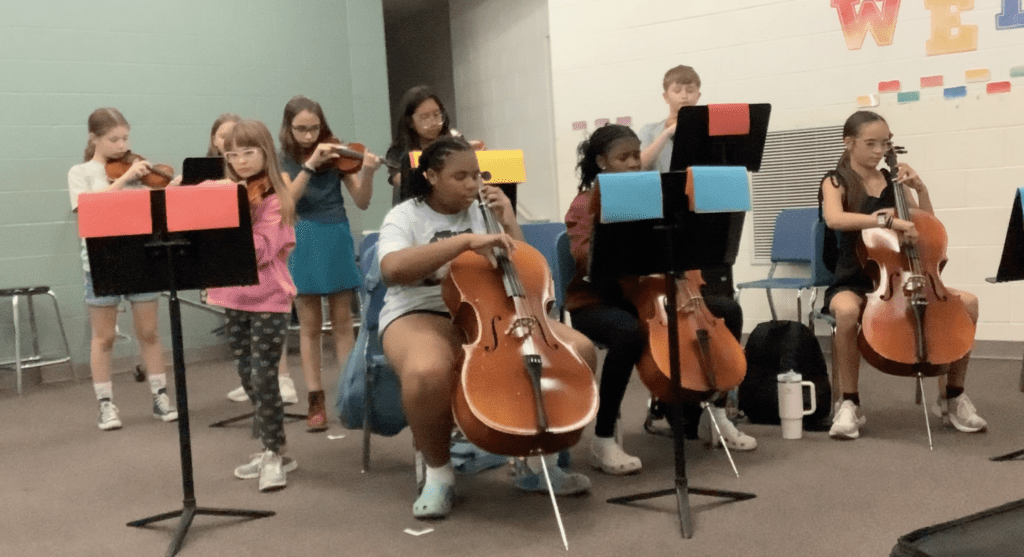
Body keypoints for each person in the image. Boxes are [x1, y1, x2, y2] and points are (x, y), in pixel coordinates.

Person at [379, 136, 596, 518]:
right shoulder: (406, 216)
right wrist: (463, 242)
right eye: (459, 176)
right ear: (430, 175)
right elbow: (392, 270)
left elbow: (525, 268)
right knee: (426, 372)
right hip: (421, 312)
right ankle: (439, 475)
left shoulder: (487, 209)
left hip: (492, 309)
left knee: (580, 350)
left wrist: (508, 220)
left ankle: (536, 463)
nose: (472, 185)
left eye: (476, 175)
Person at [564, 125, 756, 475]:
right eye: (623, 158)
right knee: (628, 333)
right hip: (596, 299)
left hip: (648, 293)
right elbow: (583, 257)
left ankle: (713, 414)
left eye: (636, 155)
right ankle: (604, 437)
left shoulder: (653, 195)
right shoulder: (584, 203)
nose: (634, 163)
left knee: (726, 310)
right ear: (602, 162)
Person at [820, 110, 987, 440]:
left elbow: (927, 227)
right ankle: (849, 403)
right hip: (854, 276)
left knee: (968, 303)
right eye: (871, 144)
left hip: (904, 275)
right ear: (849, 142)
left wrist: (921, 189)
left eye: (885, 143)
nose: (879, 151)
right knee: (846, 311)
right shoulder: (835, 180)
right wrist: (884, 221)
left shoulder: (892, 181)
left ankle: (952, 397)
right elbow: (835, 219)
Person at [68, 107, 179, 431]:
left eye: (125, 138)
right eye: (113, 139)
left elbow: (155, 205)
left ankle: (160, 397)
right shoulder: (81, 172)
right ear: (94, 138)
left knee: (149, 332)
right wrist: (127, 179)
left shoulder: (136, 172)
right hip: (100, 262)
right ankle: (106, 405)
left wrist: (170, 186)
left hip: (141, 257)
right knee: (103, 338)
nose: (122, 145)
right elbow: (87, 207)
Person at [205, 119, 299, 491]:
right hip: (232, 296)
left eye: (249, 152)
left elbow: (259, 251)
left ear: (265, 153)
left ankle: (274, 453)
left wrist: (232, 217)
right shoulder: (233, 192)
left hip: (268, 299)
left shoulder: (274, 198)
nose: (241, 161)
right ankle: (270, 448)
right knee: (247, 378)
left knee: (264, 377)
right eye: (233, 154)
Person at [278, 96, 381, 432]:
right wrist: (309, 165)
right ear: (289, 129)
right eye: (301, 129)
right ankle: (315, 400)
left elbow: (362, 201)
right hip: (303, 237)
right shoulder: (282, 160)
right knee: (308, 326)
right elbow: (287, 204)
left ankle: (350, 395)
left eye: (314, 128)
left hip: (336, 233)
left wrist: (366, 170)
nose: (309, 136)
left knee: (342, 323)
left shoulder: (338, 155)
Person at [385, 85, 484, 205]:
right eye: (424, 117)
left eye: (437, 115)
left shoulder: (455, 141)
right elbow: (403, 182)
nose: (433, 123)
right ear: (410, 122)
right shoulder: (398, 152)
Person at [637, 65, 702, 173]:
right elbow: (638, 166)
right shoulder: (649, 130)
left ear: (698, 96)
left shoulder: (708, 128)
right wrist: (666, 133)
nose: (684, 96)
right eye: (677, 91)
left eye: (690, 91)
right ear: (666, 97)